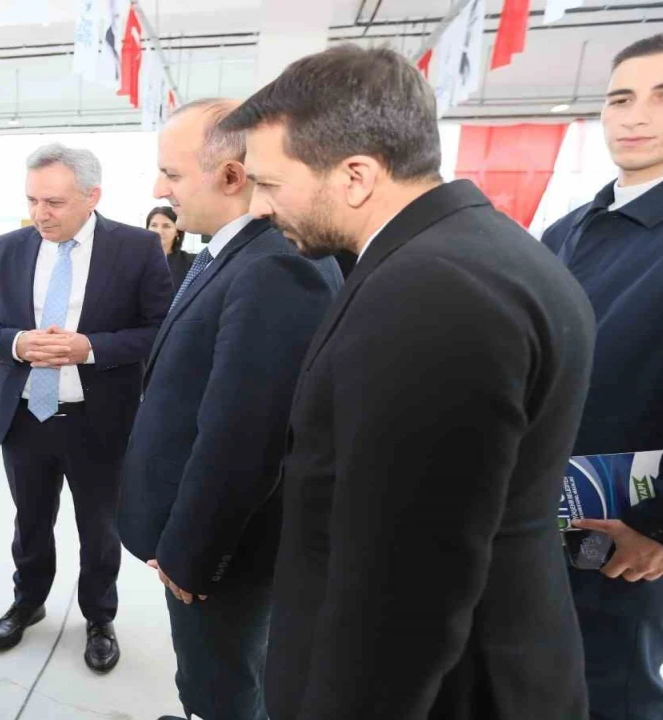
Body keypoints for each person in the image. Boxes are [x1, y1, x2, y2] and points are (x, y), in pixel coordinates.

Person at [222, 45, 597, 720]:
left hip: (443, 686)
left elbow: (406, 582)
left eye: (270, 183)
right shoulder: (484, 250)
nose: (258, 206)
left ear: (356, 175)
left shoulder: (430, 293)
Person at [120, 100, 342, 720]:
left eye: (172, 174)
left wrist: (194, 553)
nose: (159, 191)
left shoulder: (276, 267)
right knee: (207, 673)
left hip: (223, 547)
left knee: (225, 683)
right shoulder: (230, 251)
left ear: (230, 176)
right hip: (190, 525)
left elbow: (244, 439)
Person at [540, 29, 663, 720]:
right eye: (620, 99)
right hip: (543, 516)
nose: (636, 115)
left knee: (607, 692)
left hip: (632, 532)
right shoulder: (569, 229)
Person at [0, 143, 172, 673]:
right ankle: (27, 602)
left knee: (99, 527)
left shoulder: (137, 248)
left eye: (54, 202)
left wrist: (90, 348)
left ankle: (99, 616)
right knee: (30, 520)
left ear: (92, 195)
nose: (41, 214)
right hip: (24, 416)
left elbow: (161, 330)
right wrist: (16, 343)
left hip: (98, 418)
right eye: (32, 200)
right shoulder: (5, 249)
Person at [145, 205, 192, 298]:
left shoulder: (190, 263)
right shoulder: (136, 260)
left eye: (166, 226)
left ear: (177, 231)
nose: (159, 231)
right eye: (154, 225)